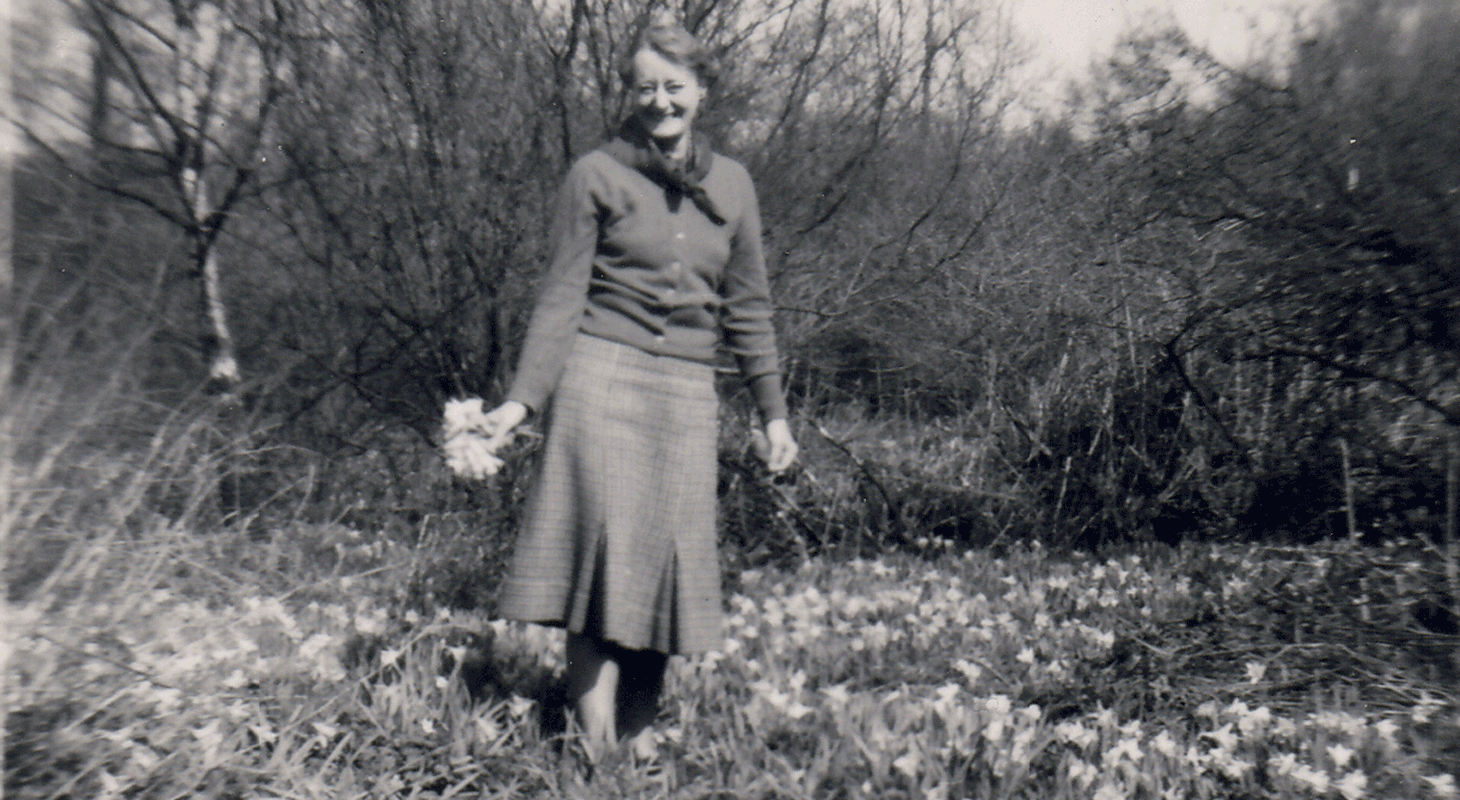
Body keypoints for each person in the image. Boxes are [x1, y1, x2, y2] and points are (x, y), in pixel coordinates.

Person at [472, 20, 798, 763]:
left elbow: (748, 309)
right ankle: (595, 748)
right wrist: (523, 401)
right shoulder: (595, 173)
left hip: (685, 395)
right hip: (598, 382)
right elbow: (561, 296)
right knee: (600, 565)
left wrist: (774, 414)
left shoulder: (735, 184)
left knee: (661, 571)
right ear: (631, 91)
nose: (659, 102)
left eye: (674, 88)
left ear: (702, 92)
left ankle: (637, 737)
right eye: (645, 87)